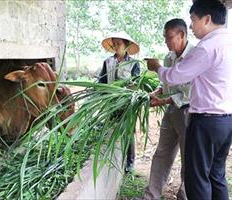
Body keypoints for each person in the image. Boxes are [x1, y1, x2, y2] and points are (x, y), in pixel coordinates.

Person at [146, 1, 232, 199]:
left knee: (197, 178)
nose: (191, 25)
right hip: (225, 119)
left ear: (207, 19)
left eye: (193, 20)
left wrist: (157, 68)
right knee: (215, 175)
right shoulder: (228, 42)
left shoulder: (205, 48)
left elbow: (175, 77)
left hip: (206, 120)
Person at [144, 18, 194, 200]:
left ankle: (185, 195)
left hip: (189, 113)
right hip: (171, 112)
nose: (166, 42)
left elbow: (189, 92)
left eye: (169, 38)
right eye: (164, 38)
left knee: (188, 157)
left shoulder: (195, 55)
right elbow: (166, 83)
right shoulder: (169, 57)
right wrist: (157, 92)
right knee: (162, 154)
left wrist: (163, 101)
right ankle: (151, 195)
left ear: (181, 35)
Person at [98, 31, 140, 173]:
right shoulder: (108, 62)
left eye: (119, 43)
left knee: (128, 132)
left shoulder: (133, 64)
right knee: (112, 128)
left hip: (127, 104)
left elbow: (136, 84)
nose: (116, 46)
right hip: (111, 103)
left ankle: (130, 162)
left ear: (126, 45)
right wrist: (97, 92)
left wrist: (127, 92)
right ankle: (114, 158)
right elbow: (102, 81)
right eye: (114, 44)